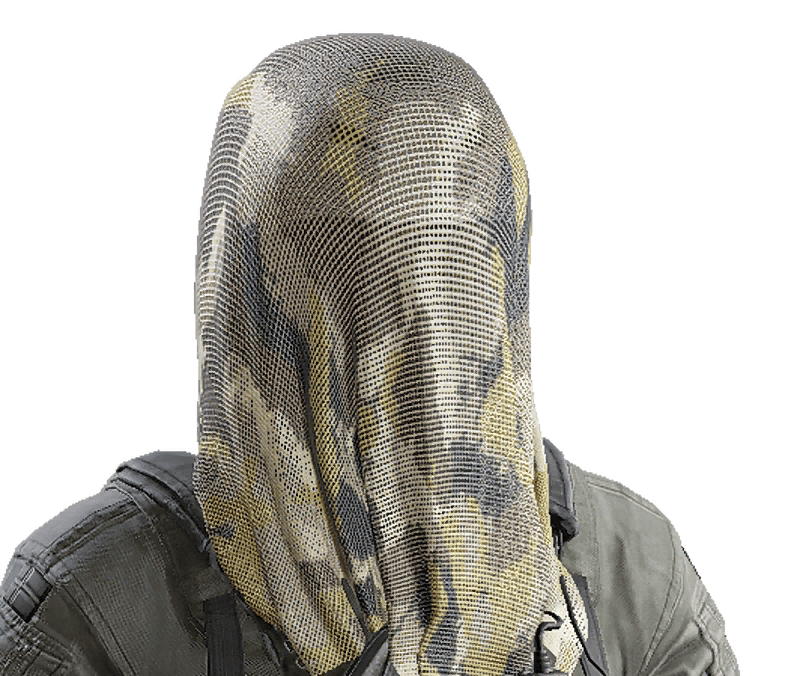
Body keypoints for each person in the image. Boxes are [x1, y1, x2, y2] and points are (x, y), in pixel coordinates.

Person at [0, 33, 741, 676]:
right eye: (355, 284)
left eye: (445, 277)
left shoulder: (627, 575)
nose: (414, 347)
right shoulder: (102, 609)